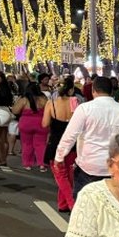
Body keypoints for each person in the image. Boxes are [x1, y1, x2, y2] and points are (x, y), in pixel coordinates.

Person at [54, 77, 119, 200]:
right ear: (112, 91)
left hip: (89, 166)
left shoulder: (85, 109)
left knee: (84, 207)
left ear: (93, 90)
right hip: (115, 167)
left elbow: (70, 136)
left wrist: (59, 157)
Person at [43, 77, 79, 212]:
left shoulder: (50, 103)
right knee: (69, 175)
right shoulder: (74, 102)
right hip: (72, 143)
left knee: (60, 176)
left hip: (56, 143)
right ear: (71, 90)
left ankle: (70, 203)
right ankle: (62, 204)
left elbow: (45, 124)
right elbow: (78, 122)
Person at [12, 83, 49, 172]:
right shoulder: (43, 99)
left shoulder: (24, 99)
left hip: (26, 123)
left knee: (26, 144)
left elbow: (15, 111)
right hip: (41, 123)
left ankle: (27, 164)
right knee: (41, 144)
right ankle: (42, 164)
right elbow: (49, 111)